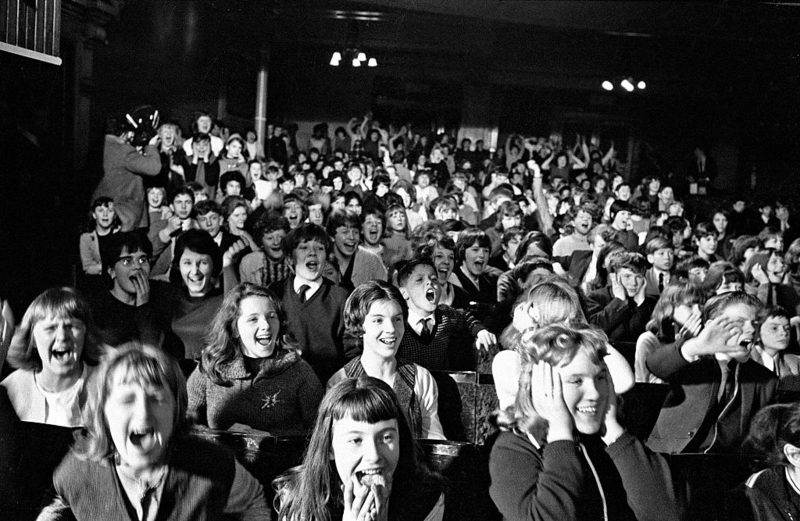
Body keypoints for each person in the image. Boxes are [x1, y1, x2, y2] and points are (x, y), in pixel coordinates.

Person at [39, 345, 269, 520]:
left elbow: (254, 501)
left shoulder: (213, 463)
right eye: (127, 400)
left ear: (177, 411)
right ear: (103, 415)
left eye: (156, 399)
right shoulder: (78, 472)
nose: (143, 414)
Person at [488, 323, 684, 521]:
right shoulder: (513, 447)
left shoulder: (611, 440)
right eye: (576, 381)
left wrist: (614, 431)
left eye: (600, 378)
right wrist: (560, 437)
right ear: (542, 386)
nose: (595, 393)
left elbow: (667, 514)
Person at [273, 376, 445, 521]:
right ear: (329, 448)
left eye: (386, 438)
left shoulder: (427, 498)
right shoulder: (297, 496)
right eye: (356, 440)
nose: (374, 455)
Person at [646, 292, 779, 454]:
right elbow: (655, 365)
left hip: (724, 469)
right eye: (739, 322)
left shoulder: (765, 380)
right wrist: (695, 346)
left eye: (755, 323)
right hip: (671, 460)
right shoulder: (691, 358)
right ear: (712, 326)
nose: (751, 329)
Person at [187, 283, 322, 435]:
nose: (266, 325)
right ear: (234, 329)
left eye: (272, 317)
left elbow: (319, 434)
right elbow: (185, 424)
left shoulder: (299, 371)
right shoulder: (212, 367)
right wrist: (222, 438)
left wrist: (270, 440)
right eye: (253, 319)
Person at [328, 280, 446, 440]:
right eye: (378, 320)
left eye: (397, 319)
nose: (391, 329)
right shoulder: (340, 382)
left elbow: (434, 441)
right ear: (359, 326)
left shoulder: (420, 378)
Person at [1, 287, 103, 427]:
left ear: (85, 334)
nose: (62, 337)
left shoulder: (107, 382)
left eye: (70, 326)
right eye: (51, 328)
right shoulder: (11, 388)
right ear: (33, 340)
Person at [268, 223, 355, 383]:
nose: (312, 253)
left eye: (320, 248)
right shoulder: (275, 292)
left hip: (327, 385)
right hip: (283, 382)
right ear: (289, 259)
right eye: (304, 248)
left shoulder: (341, 297)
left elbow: (352, 350)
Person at [92, 106, 162, 232]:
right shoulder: (123, 150)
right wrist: (151, 146)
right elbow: (154, 168)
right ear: (124, 133)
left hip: (103, 214)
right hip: (125, 217)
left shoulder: (99, 146)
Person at [635, 283, 704, 383]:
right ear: (669, 308)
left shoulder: (702, 336)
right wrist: (681, 347)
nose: (698, 312)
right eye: (689, 306)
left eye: (700, 306)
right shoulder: (649, 340)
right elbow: (650, 384)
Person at [750, 306, 800, 392]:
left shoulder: (795, 363)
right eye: (774, 328)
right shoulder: (744, 362)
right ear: (756, 333)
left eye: (787, 328)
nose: (784, 333)